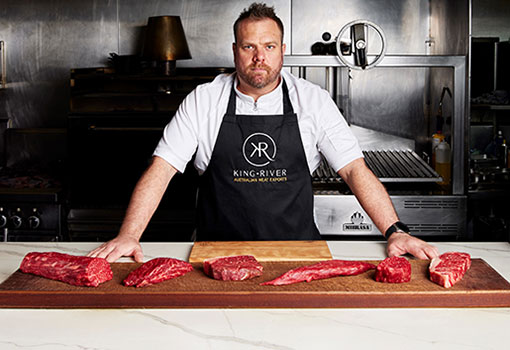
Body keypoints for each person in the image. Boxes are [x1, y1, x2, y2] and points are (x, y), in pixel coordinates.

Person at [88, 2, 438, 263]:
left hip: (297, 253)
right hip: (216, 255)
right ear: (235, 51)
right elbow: (161, 169)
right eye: (248, 47)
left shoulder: (312, 100)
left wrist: (395, 231)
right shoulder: (205, 99)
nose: (260, 57)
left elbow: (353, 170)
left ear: (282, 51)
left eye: (269, 47)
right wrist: (128, 235)